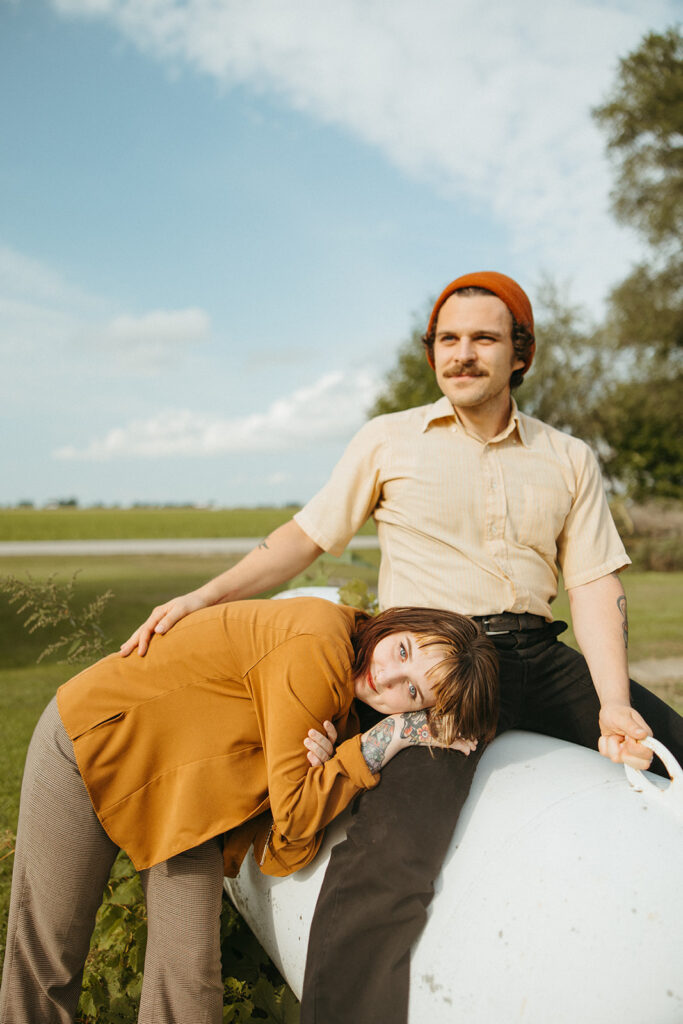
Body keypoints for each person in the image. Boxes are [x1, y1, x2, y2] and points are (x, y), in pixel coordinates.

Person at [119, 270, 683, 1023]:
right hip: (436, 674)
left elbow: (591, 586)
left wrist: (613, 704)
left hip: (537, 657)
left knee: (673, 747)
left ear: (519, 353)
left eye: (482, 338)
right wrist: (204, 596)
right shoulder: (388, 440)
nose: (461, 354)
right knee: (392, 858)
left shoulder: (567, 457)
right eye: (447, 340)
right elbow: (303, 539)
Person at [0, 596, 498, 1024]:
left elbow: (287, 849)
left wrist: (336, 765)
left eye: (411, 693)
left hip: (186, 799)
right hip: (97, 741)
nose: (388, 676)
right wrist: (388, 736)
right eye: (403, 650)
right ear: (400, 621)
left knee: (188, 986)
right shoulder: (320, 645)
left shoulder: (346, 707)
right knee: (48, 961)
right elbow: (299, 816)